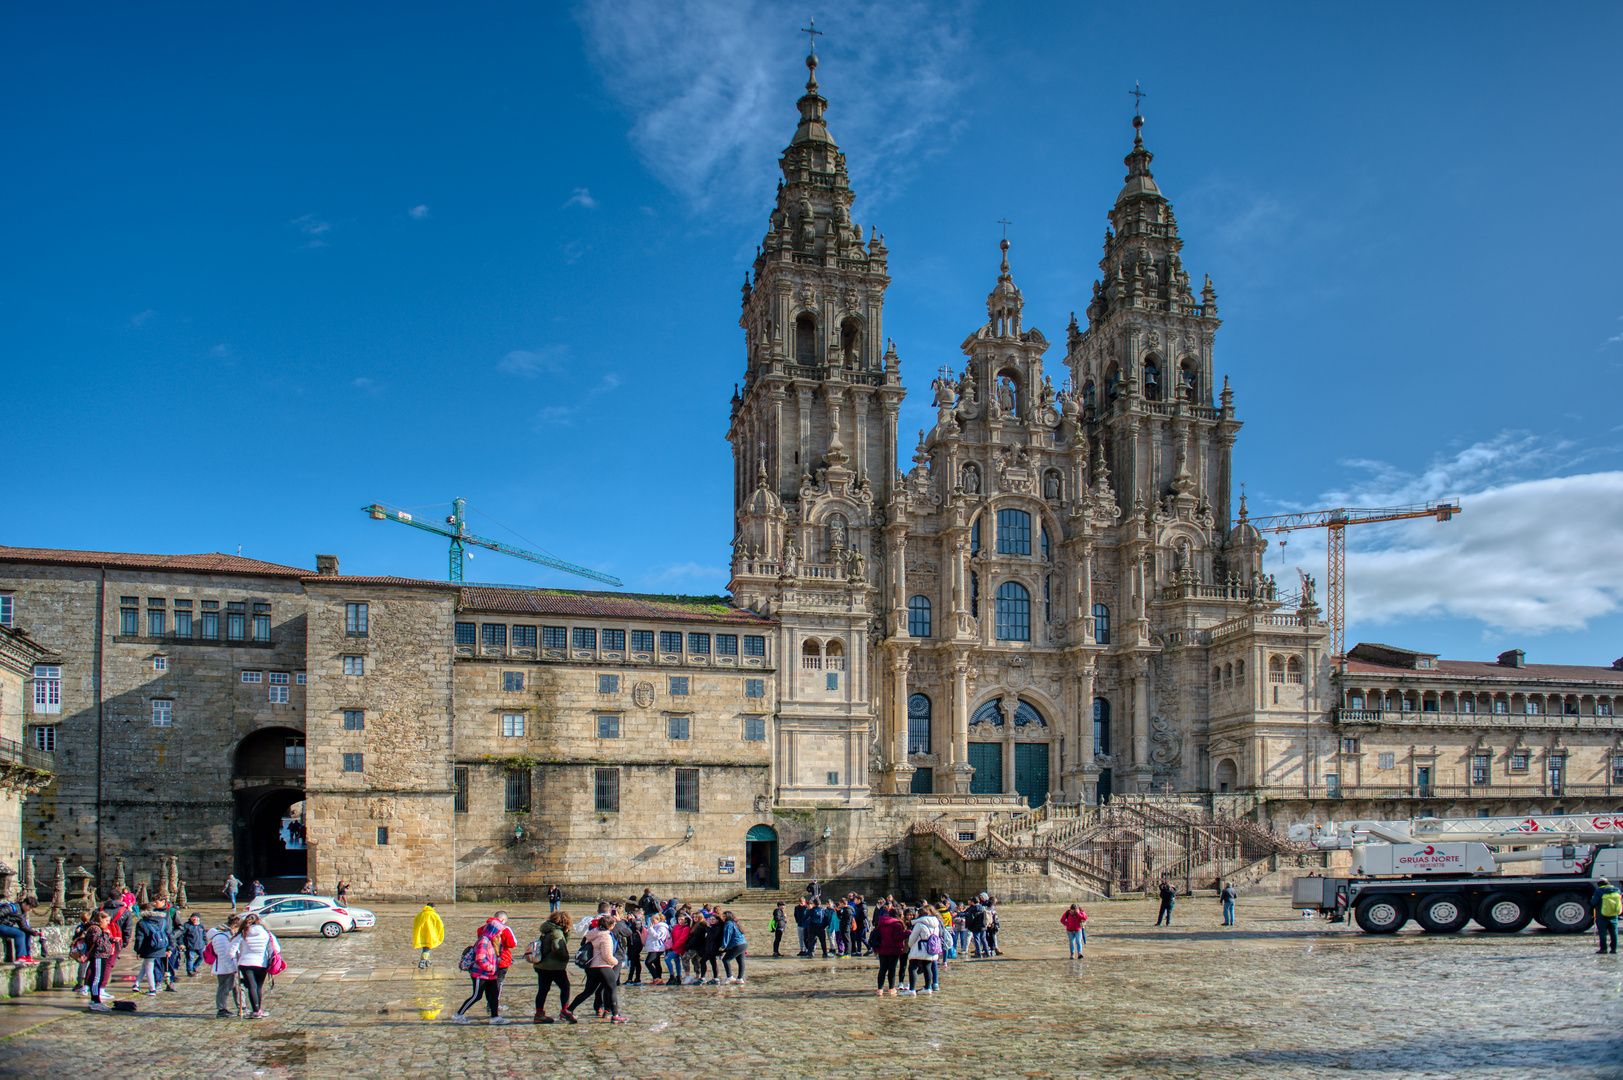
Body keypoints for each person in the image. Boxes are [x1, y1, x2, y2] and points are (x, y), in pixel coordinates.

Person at [564, 915, 626, 1023]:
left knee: (587, 992)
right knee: (612, 989)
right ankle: (616, 1015)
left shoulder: (592, 934)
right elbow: (607, 955)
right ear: (610, 926)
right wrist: (616, 962)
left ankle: (568, 1011)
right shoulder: (606, 937)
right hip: (603, 967)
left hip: (592, 968)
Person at [452, 917, 508, 1024]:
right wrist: (489, 967)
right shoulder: (484, 941)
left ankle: (495, 1017)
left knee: (494, 995)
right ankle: (458, 1014)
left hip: (490, 975)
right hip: (480, 974)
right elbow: (480, 958)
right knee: (476, 996)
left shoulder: (490, 941)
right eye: (498, 932)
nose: (499, 935)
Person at [528, 910, 573, 1023]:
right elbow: (558, 948)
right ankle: (565, 1011)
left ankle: (539, 1013)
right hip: (554, 967)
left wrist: (566, 933)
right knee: (565, 986)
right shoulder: (557, 933)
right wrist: (565, 957)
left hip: (542, 966)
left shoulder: (546, 930)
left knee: (543, 990)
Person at [233, 912, 279, 1019]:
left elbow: (231, 950)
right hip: (261, 963)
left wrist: (238, 954)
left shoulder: (243, 934)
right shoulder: (267, 933)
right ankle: (258, 1009)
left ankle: (255, 1010)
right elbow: (276, 948)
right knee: (258, 987)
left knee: (251, 987)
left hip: (245, 963)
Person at [132, 903, 172, 995]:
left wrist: (138, 951)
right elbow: (170, 935)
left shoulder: (141, 923)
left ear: (145, 911)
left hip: (149, 948)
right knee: (145, 965)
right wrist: (169, 948)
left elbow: (139, 938)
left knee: (149, 968)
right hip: (161, 947)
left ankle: (152, 989)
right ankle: (136, 984)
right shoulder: (163, 920)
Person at [903, 905, 943, 995]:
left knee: (912, 968)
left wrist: (910, 945)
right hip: (930, 949)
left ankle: (912, 989)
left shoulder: (919, 924)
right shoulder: (936, 924)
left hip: (919, 949)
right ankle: (927, 988)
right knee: (927, 968)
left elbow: (912, 938)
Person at [83, 910, 118, 1012]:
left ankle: (96, 1000)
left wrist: (110, 939)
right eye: (106, 921)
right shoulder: (95, 929)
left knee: (99, 977)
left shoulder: (99, 929)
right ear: (100, 919)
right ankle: (95, 1001)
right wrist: (105, 934)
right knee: (97, 978)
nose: (108, 923)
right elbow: (97, 943)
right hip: (97, 955)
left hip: (102, 955)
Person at [209, 915, 242, 1018]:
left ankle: (241, 1007)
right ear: (234, 926)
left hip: (231, 966)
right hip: (225, 968)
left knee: (236, 987)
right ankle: (221, 1009)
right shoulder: (220, 937)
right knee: (224, 988)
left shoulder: (228, 935)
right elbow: (223, 955)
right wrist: (232, 969)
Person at [871, 906, 908, 995]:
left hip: (882, 949)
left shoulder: (881, 923)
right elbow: (898, 937)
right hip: (893, 950)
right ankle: (891, 988)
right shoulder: (897, 924)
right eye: (902, 914)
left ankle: (880, 989)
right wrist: (908, 933)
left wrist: (875, 949)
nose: (903, 916)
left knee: (882, 969)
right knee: (892, 969)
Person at [0, 897, 43, 964]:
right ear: (24, 904)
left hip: (6, 927)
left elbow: (23, 926)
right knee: (19, 934)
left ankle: (27, 956)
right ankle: (20, 957)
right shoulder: (11, 908)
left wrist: (34, 933)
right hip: (1, 926)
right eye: (30, 907)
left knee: (26, 932)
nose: (30, 910)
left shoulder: (22, 912)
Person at [1592, 876, 1621, 954]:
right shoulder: (1617, 890)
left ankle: (1603, 949)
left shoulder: (1599, 891)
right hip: (1614, 914)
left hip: (1602, 915)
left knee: (1603, 932)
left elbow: (1594, 902)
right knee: (1614, 932)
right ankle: (1614, 949)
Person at [412, 901, 445, 968]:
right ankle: (423, 961)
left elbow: (415, 923)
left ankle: (428, 961)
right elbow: (440, 925)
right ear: (433, 907)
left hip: (421, 934)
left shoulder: (420, 914)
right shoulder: (434, 915)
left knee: (425, 947)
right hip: (430, 934)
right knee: (427, 947)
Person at [719, 911, 747, 983]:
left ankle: (730, 976)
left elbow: (727, 935)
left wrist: (723, 946)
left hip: (736, 944)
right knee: (741, 961)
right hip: (743, 944)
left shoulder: (728, 924)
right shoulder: (735, 923)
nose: (723, 918)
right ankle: (740, 978)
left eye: (724, 916)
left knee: (726, 959)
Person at [642, 912, 670, 985]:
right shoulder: (655, 927)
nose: (652, 922)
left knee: (648, 962)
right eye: (651, 920)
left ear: (658, 920)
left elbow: (657, 936)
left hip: (657, 948)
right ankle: (658, 979)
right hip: (653, 947)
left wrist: (651, 929)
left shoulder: (662, 927)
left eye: (653, 920)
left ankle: (656, 978)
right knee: (657, 963)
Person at [666, 913, 690, 986]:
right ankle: (678, 976)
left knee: (667, 958)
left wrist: (674, 947)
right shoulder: (676, 926)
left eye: (682, 919)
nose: (680, 921)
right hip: (674, 946)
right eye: (679, 919)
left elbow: (682, 939)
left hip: (679, 947)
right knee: (677, 961)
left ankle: (672, 975)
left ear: (685, 920)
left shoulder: (686, 928)